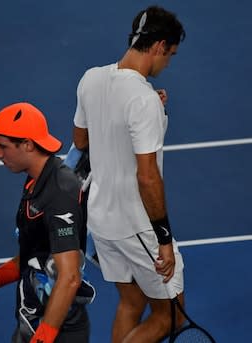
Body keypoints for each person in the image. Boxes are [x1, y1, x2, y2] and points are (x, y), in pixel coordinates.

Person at [72, 5, 186, 343]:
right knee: (172, 317)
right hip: (136, 225)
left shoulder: (91, 78)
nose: (168, 62)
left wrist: (135, 116)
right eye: (171, 54)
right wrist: (163, 240)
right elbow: (147, 177)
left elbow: (81, 140)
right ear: (159, 46)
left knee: (131, 302)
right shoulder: (143, 100)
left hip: (101, 222)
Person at [0, 102, 93, 343]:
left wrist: (44, 337)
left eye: (3, 147)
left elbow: (69, 276)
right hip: (33, 319)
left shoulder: (59, 193)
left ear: (28, 145)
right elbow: (36, 252)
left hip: (56, 330)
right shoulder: (37, 181)